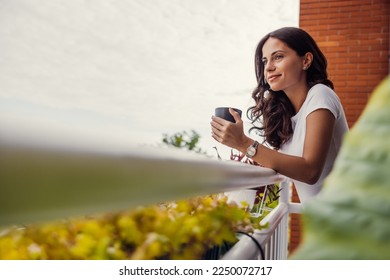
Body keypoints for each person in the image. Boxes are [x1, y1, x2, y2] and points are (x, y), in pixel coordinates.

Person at [210, 27, 349, 203]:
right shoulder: (288, 116)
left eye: (278, 57)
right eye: (265, 60)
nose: (268, 67)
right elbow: (283, 162)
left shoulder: (321, 95)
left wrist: (243, 143)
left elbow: (310, 171)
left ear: (306, 60)